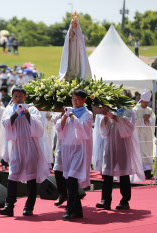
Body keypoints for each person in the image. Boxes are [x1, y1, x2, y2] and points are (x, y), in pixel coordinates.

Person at [0, 86, 50, 217]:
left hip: (30, 146)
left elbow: (38, 127)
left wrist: (26, 113)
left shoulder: (32, 109)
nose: (18, 99)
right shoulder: (9, 109)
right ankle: (9, 206)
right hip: (15, 146)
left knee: (31, 177)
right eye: (15, 96)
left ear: (25, 97)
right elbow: (5, 124)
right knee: (12, 176)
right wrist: (15, 114)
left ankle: (29, 207)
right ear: (12, 98)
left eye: (20, 96)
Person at [96, 109, 145, 210]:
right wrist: (105, 115)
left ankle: (125, 200)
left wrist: (114, 117)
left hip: (123, 144)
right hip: (110, 144)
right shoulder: (110, 108)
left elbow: (128, 127)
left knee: (123, 173)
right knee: (107, 173)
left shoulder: (128, 111)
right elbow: (104, 130)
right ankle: (105, 200)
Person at [56, 88, 93, 219]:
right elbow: (59, 128)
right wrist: (65, 116)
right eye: (73, 99)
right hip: (68, 148)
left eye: (78, 99)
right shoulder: (67, 111)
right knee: (69, 180)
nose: (75, 101)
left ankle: (70, 209)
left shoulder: (87, 114)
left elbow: (83, 129)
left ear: (84, 100)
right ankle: (76, 210)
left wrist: (71, 115)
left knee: (72, 178)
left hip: (80, 149)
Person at [59, 12, 91, 80]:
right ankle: (69, 73)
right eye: (73, 23)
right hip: (70, 48)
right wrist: (71, 36)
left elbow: (81, 40)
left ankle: (76, 74)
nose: (74, 24)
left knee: (76, 60)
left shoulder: (79, 31)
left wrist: (75, 36)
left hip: (77, 49)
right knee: (70, 60)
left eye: (75, 23)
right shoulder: (69, 32)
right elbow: (67, 41)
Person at [133, 89, 156, 179]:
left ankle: (148, 170)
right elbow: (133, 122)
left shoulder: (149, 110)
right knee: (141, 151)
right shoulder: (135, 110)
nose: (146, 104)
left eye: (148, 102)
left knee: (148, 151)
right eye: (145, 102)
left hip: (148, 134)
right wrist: (142, 120)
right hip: (139, 135)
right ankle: (141, 171)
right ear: (141, 101)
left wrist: (149, 120)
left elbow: (153, 120)